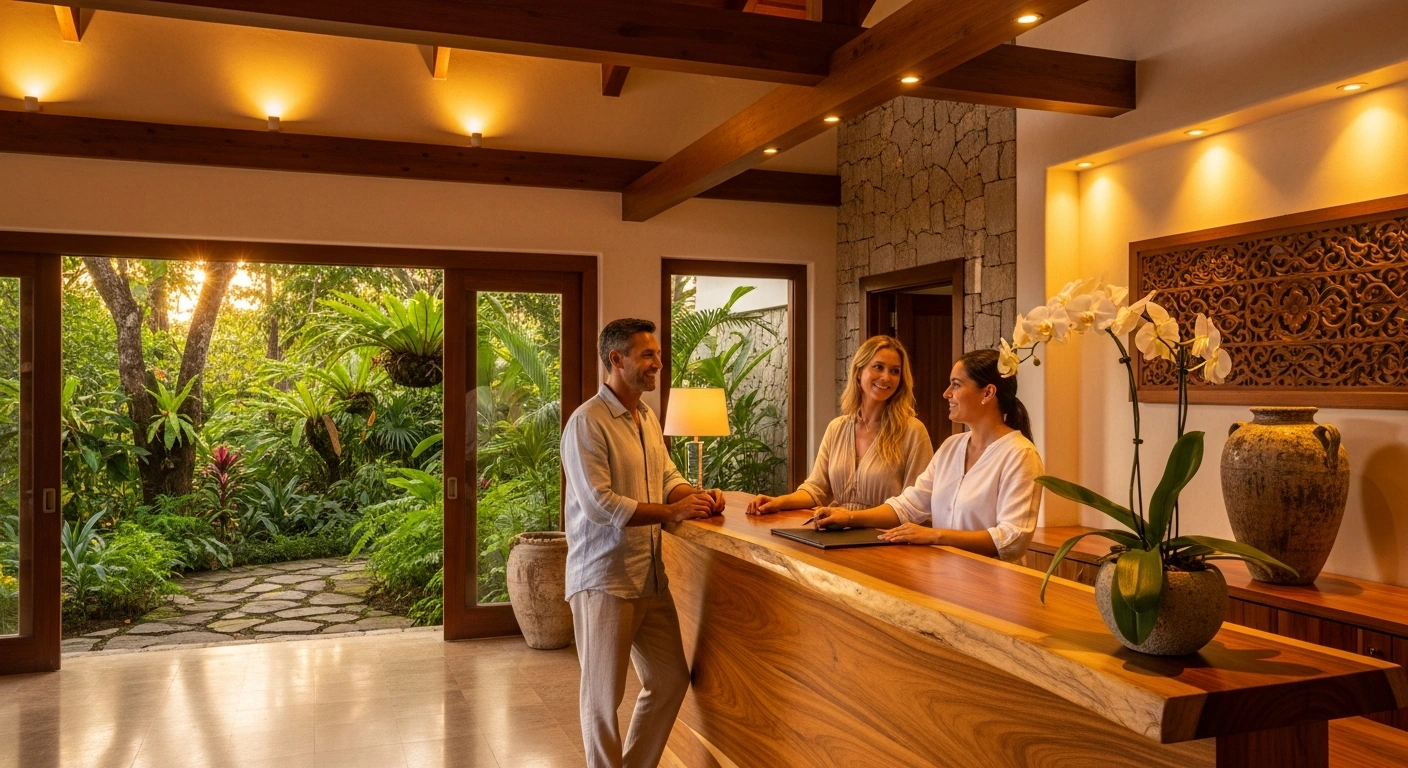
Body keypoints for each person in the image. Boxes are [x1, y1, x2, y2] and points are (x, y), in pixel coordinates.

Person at [561, 317, 726, 768]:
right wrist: (672, 512)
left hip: (651, 579)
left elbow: (666, 476)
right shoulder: (586, 423)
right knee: (602, 702)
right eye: (647, 355)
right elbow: (601, 505)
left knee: (671, 679)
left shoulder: (647, 416)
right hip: (604, 581)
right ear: (616, 360)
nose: (658, 364)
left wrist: (693, 496)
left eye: (657, 354)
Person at [814, 348, 1044, 562]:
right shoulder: (951, 447)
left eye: (956, 385)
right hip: (943, 578)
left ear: (988, 392)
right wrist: (848, 518)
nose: (946, 394)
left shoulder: (1020, 455)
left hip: (991, 587)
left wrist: (935, 536)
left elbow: (1013, 538)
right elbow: (909, 505)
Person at [747, 335, 932, 515]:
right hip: (836, 534)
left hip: (886, 539)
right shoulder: (837, 428)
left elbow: (915, 506)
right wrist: (778, 502)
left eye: (895, 371)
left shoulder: (913, 432)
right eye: (878, 367)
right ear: (859, 372)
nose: (886, 377)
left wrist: (852, 519)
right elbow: (816, 489)